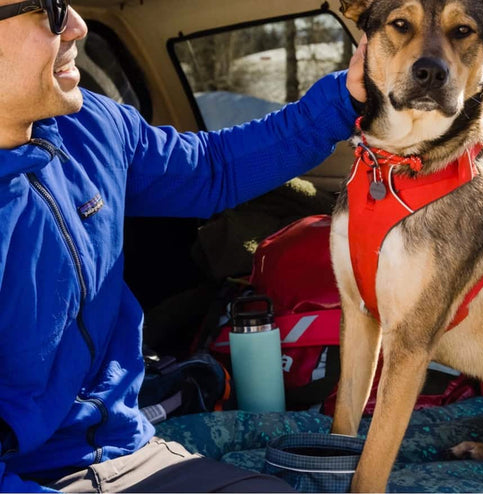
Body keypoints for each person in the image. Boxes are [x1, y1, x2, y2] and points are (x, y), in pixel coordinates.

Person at [0, 0, 366, 491]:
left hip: (124, 449)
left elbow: (213, 169)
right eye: (48, 8)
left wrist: (348, 97)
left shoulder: (91, 126)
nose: (78, 27)